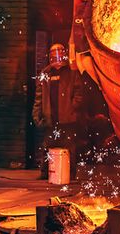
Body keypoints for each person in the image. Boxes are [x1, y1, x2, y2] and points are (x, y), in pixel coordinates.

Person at [32, 43, 85, 180]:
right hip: (50, 117)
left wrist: (72, 108)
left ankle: (70, 173)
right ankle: (45, 172)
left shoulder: (72, 73)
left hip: (67, 118)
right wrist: (37, 115)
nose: (57, 57)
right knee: (47, 146)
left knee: (69, 147)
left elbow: (79, 93)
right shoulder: (45, 73)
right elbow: (39, 96)